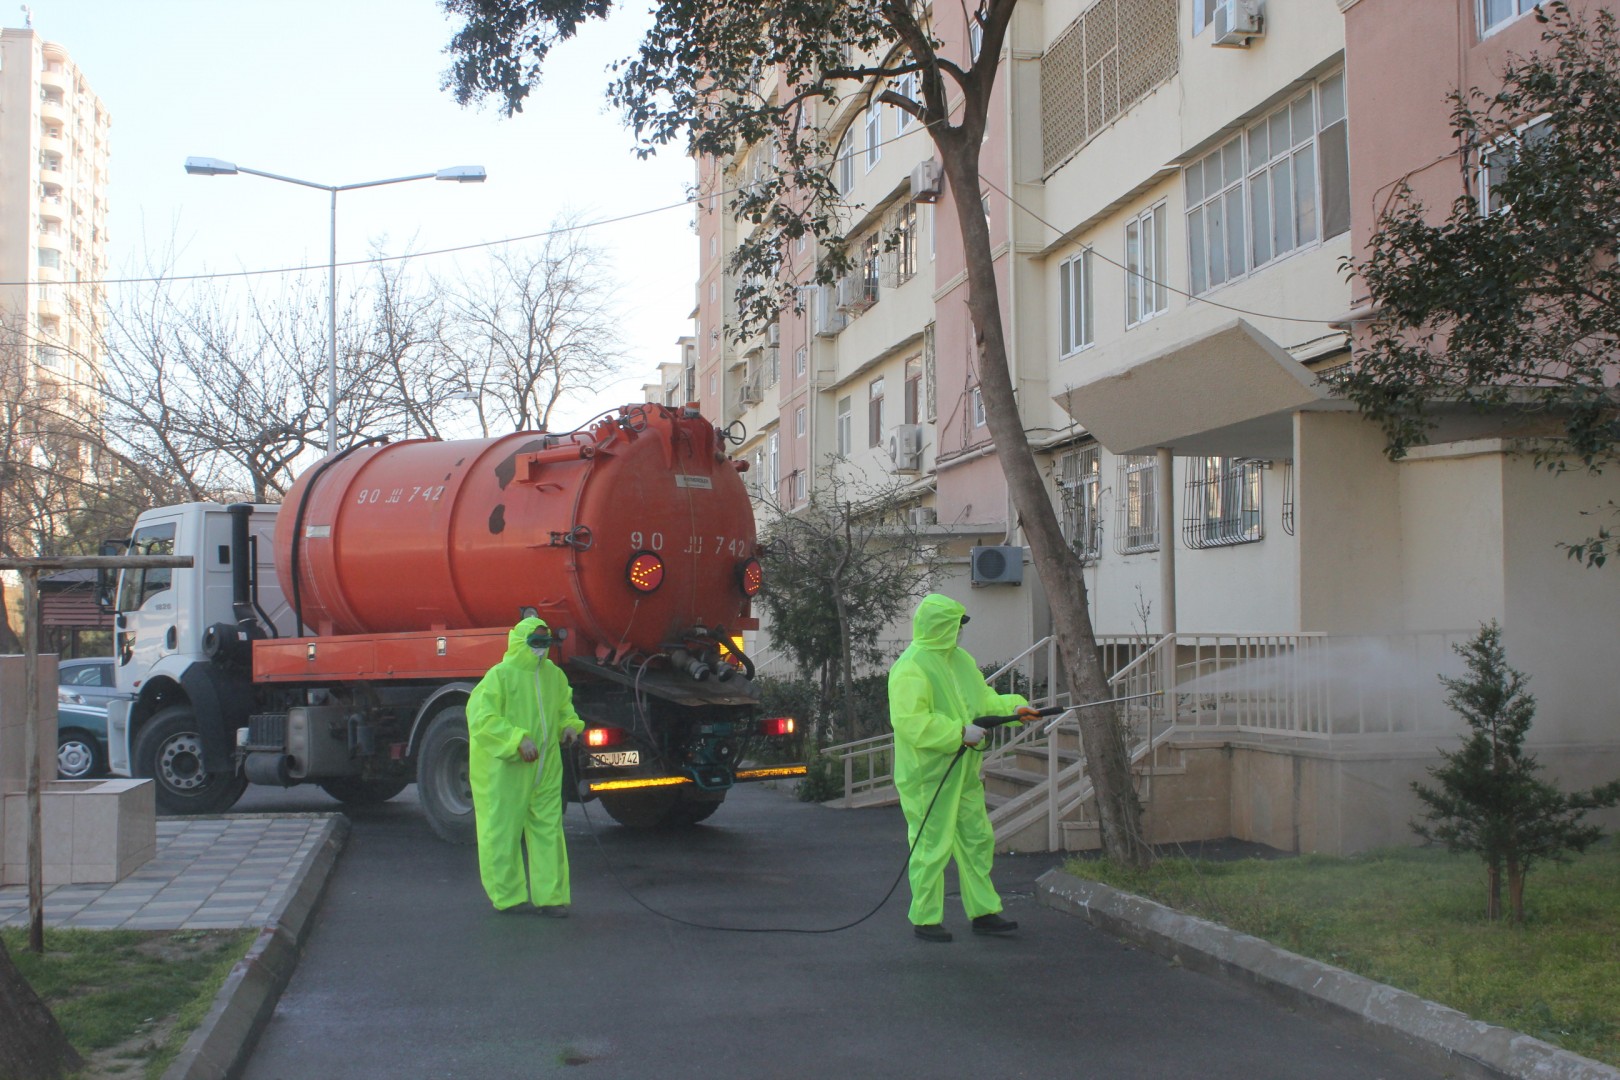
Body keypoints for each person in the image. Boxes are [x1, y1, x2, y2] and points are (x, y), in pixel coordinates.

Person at [888, 593, 1041, 943]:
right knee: (931, 845)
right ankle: (926, 918)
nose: (959, 633)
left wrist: (1016, 709)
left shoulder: (960, 661)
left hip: (965, 770)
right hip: (929, 776)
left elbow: (982, 701)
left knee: (976, 839)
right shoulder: (911, 667)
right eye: (956, 626)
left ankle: (984, 912)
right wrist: (958, 733)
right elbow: (911, 722)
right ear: (940, 627)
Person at [466, 616, 585, 916]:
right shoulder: (500, 676)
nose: (541, 649)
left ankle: (552, 898)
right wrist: (517, 740)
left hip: (545, 768)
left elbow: (563, 708)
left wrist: (569, 726)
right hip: (505, 771)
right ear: (521, 642)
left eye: (545, 643)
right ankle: (508, 897)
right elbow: (482, 719)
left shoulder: (553, 675)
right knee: (502, 831)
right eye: (536, 642)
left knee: (549, 829)